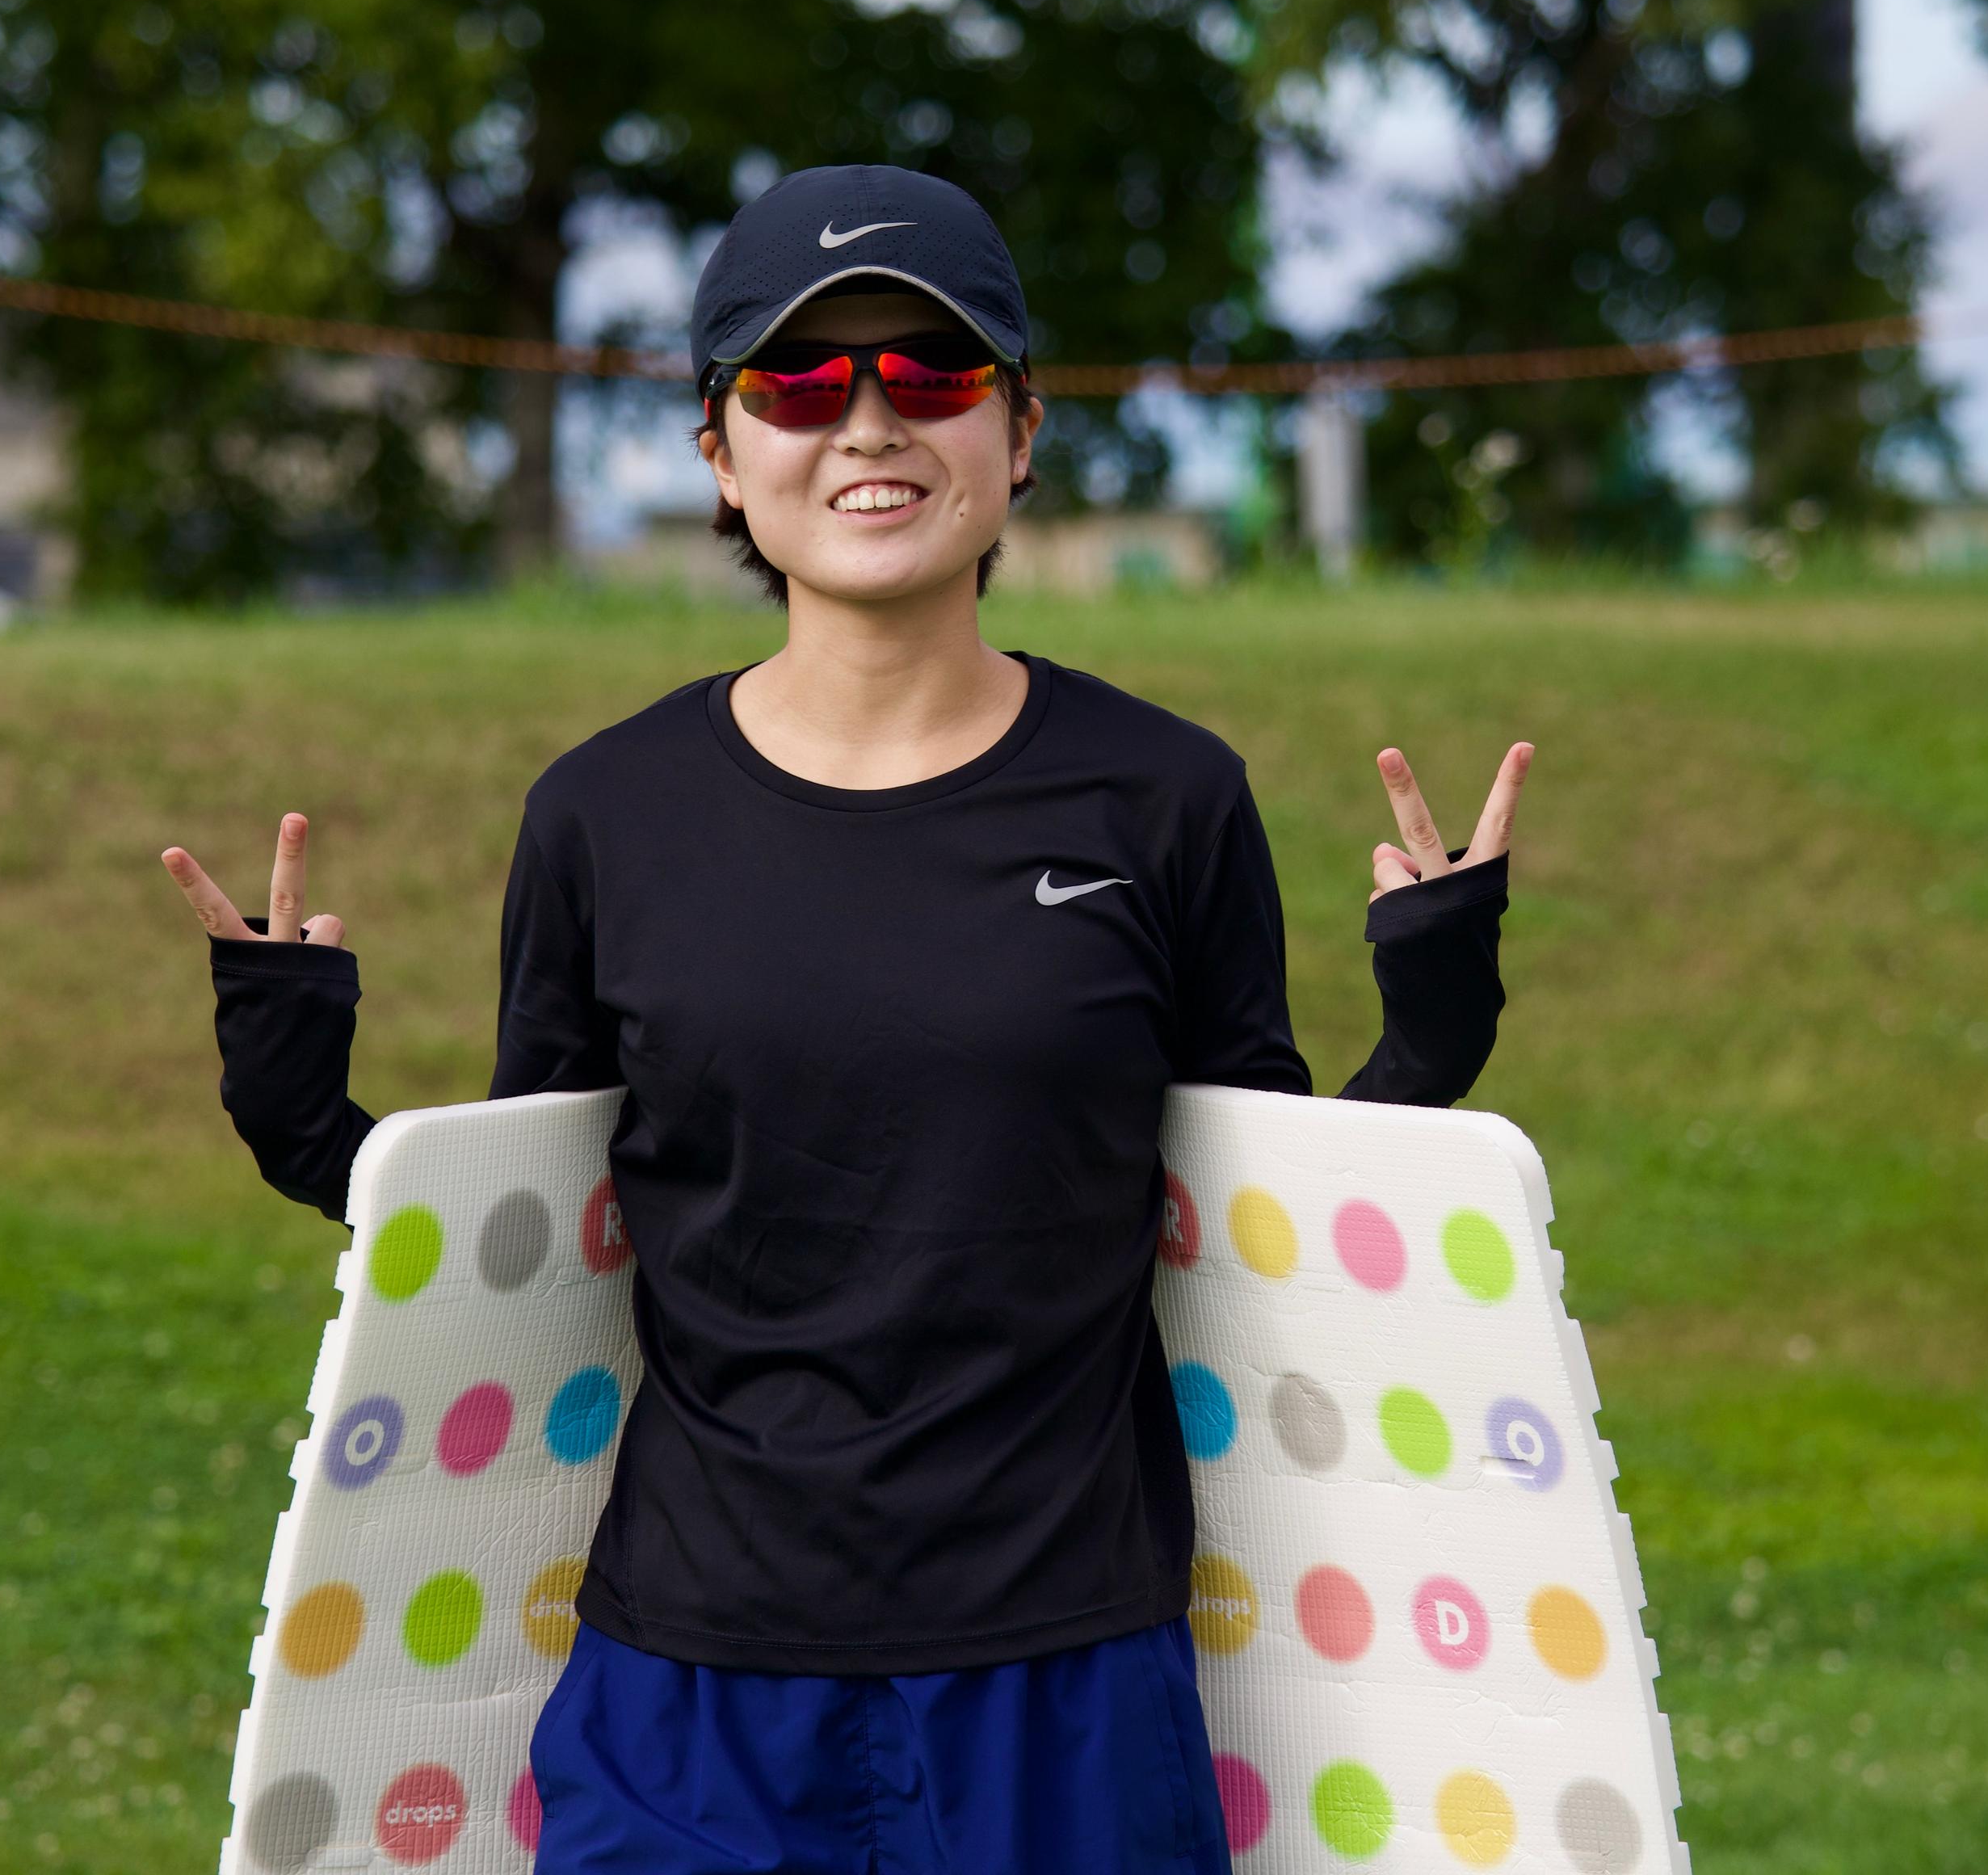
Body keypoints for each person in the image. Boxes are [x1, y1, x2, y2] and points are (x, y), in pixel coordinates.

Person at [161, 165, 1531, 1875]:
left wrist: (1433, 1035)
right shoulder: (607, 812)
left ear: (1021, 433)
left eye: (934, 374)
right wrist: (304, 1113)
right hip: (691, 1688)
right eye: (800, 383)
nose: (870, 422)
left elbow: (1260, 1247)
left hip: (1069, 1676)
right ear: (723, 456)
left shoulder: (1165, 797)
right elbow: (537, 1255)